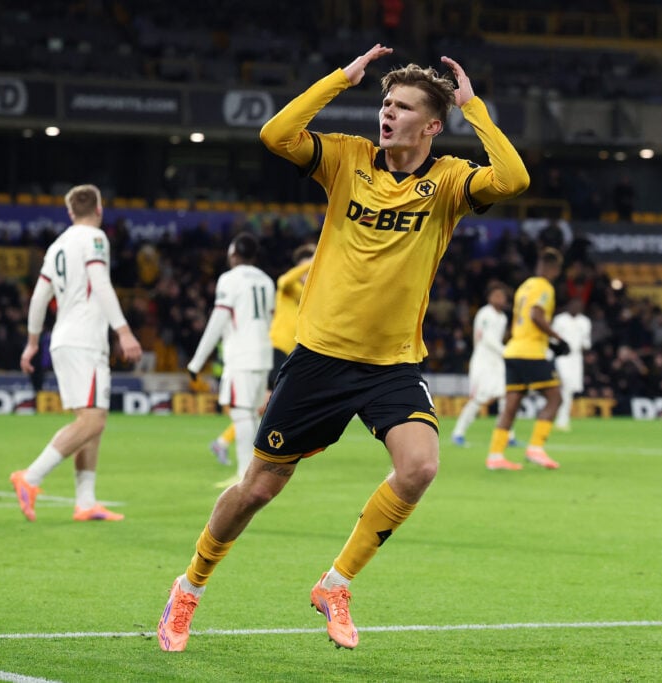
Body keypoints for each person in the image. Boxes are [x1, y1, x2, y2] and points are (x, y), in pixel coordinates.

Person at [157, 44, 529, 652]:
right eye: (385, 103)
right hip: (321, 358)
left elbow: (514, 180)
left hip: (393, 363)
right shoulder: (347, 158)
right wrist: (340, 79)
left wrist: (474, 108)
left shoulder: (449, 181)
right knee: (258, 489)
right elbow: (276, 134)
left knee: (420, 466)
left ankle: (335, 584)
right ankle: (188, 587)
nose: (387, 113)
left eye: (403, 107)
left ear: (432, 126)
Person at [10, 184, 142, 521]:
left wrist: (32, 342)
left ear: (70, 212)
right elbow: (101, 282)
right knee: (93, 420)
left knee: (91, 421)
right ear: (99, 209)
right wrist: (124, 331)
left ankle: (85, 502)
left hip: (64, 339)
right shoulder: (95, 238)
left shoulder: (57, 246)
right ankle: (31, 477)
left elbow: (39, 297)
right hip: (85, 339)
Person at [209, 243, 315, 466]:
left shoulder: (307, 293)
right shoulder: (288, 288)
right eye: (306, 268)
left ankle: (227, 443)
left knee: (265, 403)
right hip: (276, 348)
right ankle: (233, 444)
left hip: (291, 352)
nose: (309, 272)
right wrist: (313, 261)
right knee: (266, 402)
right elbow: (284, 280)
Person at [187, 233, 276, 489]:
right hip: (263, 354)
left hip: (241, 355)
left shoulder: (230, 279)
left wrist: (197, 362)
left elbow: (218, 321)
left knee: (241, 413)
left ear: (233, 254)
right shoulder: (266, 281)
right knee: (253, 414)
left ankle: (245, 477)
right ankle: (255, 474)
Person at [484, 248, 566, 471]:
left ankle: (495, 455)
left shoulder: (524, 287)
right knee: (555, 398)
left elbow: (522, 321)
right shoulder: (544, 287)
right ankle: (536, 449)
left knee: (511, 405)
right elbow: (536, 315)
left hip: (513, 350)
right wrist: (557, 338)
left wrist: (548, 341)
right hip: (531, 352)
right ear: (554, 269)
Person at [451, 282, 510, 447]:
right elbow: (486, 338)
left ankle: (506, 435)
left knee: (506, 395)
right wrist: (506, 350)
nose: (500, 299)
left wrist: (503, 352)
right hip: (483, 360)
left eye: (502, 296)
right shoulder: (485, 313)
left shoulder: (503, 318)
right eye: (496, 295)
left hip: (497, 361)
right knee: (479, 397)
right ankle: (458, 433)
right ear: (489, 298)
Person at [551, 297, 592, 431]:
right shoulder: (560, 320)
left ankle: (563, 419)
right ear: (569, 306)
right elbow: (553, 339)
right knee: (565, 385)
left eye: (579, 306)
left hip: (576, 358)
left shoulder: (585, 321)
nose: (576, 308)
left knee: (570, 389)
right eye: (574, 305)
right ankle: (559, 418)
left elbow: (586, 342)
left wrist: (584, 348)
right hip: (562, 357)